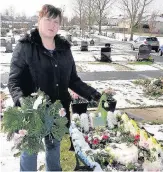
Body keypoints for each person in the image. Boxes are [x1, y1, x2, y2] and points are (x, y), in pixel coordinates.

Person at [8, 4, 101, 172]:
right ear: (39, 20)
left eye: (56, 21)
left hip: (57, 112)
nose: (52, 25)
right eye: (48, 19)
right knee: (30, 153)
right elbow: (14, 81)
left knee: (53, 150)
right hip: (32, 114)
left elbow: (73, 80)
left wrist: (95, 95)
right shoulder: (25, 46)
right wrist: (22, 101)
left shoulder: (64, 49)